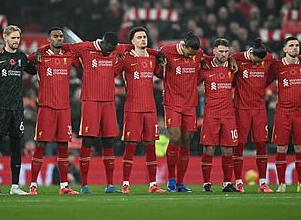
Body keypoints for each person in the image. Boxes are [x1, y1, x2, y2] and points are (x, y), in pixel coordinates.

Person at [47, 32, 139, 194]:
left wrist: (156, 53)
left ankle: (110, 185)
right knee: (88, 141)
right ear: (102, 42)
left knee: (109, 141)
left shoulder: (116, 49)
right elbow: (62, 46)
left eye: (113, 50)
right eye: (108, 49)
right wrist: (41, 51)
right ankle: (84, 185)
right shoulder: (85, 48)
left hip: (109, 102)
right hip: (90, 102)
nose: (110, 52)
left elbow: (135, 47)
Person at [26, 27, 81, 195]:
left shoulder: (68, 56)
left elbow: (80, 59)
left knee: (64, 146)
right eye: (55, 36)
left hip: (64, 109)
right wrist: (41, 49)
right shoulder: (40, 57)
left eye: (61, 36)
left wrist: (68, 47)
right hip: (46, 108)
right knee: (40, 145)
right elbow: (27, 59)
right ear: (49, 39)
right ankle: (33, 185)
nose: (59, 39)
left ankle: (64, 186)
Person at [0, 25, 36, 196]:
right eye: (13, 38)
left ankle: (15, 186)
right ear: (5, 37)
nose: (16, 41)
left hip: (16, 109)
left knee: (16, 147)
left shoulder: (21, 57)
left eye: (18, 38)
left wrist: (39, 57)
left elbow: (34, 70)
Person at [115, 27, 166, 194]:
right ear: (133, 42)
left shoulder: (152, 59)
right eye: (139, 37)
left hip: (150, 109)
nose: (143, 39)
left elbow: (162, 75)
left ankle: (153, 184)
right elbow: (112, 72)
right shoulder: (127, 59)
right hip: (132, 109)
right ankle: (125, 183)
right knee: (131, 146)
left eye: (144, 37)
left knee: (151, 145)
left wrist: (162, 63)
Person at [159, 31, 205, 192]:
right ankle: (171, 180)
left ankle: (180, 183)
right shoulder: (167, 51)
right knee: (175, 137)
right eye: (188, 53)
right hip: (172, 102)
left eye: (193, 55)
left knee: (186, 141)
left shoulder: (198, 54)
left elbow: (206, 64)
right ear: (183, 46)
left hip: (190, 104)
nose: (190, 56)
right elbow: (154, 55)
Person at [269, 37, 301, 193]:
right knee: (282, 148)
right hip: (283, 112)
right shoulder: (277, 66)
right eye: (292, 45)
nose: (295, 48)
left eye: (297, 45)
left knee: (300, 148)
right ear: (285, 49)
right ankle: (281, 184)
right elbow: (266, 80)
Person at [230, 38, 275, 193]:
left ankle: (263, 183)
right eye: (256, 60)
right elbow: (230, 64)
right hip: (241, 109)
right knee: (239, 145)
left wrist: (263, 85)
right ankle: (238, 182)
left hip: (260, 109)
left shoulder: (268, 58)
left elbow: (271, 75)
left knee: (261, 144)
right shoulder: (238, 58)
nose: (258, 63)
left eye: (260, 61)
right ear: (251, 55)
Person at [197, 38, 239, 193]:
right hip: (211, 114)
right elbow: (193, 82)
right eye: (221, 51)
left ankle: (227, 183)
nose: (224, 54)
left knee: (228, 150)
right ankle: (206, 183)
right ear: (214, 51)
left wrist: (233, 59)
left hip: (228, 114)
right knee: (209, 149)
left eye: (227, 52)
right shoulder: (205, 67)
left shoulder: (233, 68)